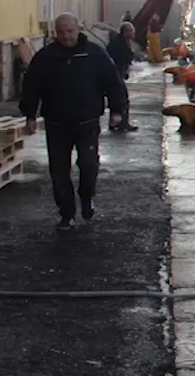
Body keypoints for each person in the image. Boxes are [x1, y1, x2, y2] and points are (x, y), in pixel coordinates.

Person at [19, 13, 128, 230]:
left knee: (89, 165)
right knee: (59, 171)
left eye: (70, 31)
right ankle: (66, 213)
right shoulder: (45, 57)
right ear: (55, 32)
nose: (66, 36)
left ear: (78, 29)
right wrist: (30, 115)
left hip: (87, 122)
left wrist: (118, 111)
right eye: (61, 32)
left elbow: (113, 83)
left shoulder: (95, 54)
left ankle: (87, 196)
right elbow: (31, 88)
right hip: (56, 123)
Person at [105, 21, 139, 132]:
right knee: (121, 99)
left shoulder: (121, 41)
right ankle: (121, 123)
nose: (134, 33)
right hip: (115, 76)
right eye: (132, 31)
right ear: (126, 32)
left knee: (118, 100)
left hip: (116, 74)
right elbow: (118, 60)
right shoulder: (119, 44)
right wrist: (119, 76)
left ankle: (116, 122)